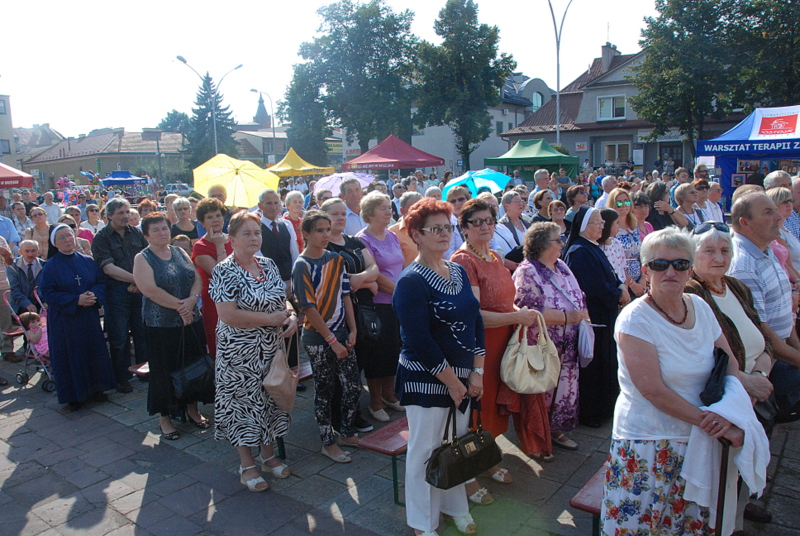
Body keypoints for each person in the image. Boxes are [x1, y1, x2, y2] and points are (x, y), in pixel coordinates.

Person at [602, 228, 747, 535]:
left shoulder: (700, 306)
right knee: (643, 526)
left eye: (680, 264)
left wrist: (733, 407)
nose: (670, 271)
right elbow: (653, 391)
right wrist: (715, 424)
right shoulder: (635, 318)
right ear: (645, 270)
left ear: (690, 269)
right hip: (651, 442)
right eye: (660, 264)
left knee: (688, 525)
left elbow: (728, 363)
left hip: (699, 437)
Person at [393, 197, 482, 536]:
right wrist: (454, 383)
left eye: (447, 227)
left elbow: (474, 321)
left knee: (454, 447)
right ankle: (422, 523)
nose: (445, 234)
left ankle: (455, 506)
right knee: (425, 452)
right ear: (416, 234)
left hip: (462, 377)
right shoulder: (410, 281)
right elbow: (418, 340)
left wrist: (477, 371)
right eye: (435, 229)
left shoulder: (457, 270)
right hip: (426, 381)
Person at [684, 221, 776, 534]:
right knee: (724, 473)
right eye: (709, 250)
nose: (718, 257)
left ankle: (738, 513)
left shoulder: (737, 286)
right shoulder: (691, 293)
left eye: (725, 250)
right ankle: (722, 524)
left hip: (755, 387)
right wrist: (744, 383)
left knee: (745, 462)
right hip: (726, 396)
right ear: (693, 254)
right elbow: (705, 354)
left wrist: (760, 374)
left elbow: (763, 338)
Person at [209, 211, 298, 492]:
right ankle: (246, 465)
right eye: (246, 233)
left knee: (269, 400)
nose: (254, 238)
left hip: (270, 349)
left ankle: (268, 455)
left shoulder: (267, 265)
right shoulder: (224, 270)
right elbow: (227, 314)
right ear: (232, 239)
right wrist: (269, 319)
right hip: (239, 353)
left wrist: (291, 316)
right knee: (244, 406)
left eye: (257, 233)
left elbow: (282, 300)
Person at [450, 198, 528, 504]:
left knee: (494, 410)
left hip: (503, 343)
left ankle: (486, 459)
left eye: (489, 220)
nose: (485, 226)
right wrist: (515, 317)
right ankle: (467, 473)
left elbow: (505, 302)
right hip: (479, 346)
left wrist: (521, 314)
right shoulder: (463, 261)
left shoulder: (494, 256)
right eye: (477, 222)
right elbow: (473, 315)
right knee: (475, 411)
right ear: (464, 227)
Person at [292, 210, 362, 463]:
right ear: (306, 234)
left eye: (327, 230)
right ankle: (327, 442)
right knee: (325, 390)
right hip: (319, 338)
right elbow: (308, 307)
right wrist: (332, 341)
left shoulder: (336, 259)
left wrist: (353, 329)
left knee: (352, 386)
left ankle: (346, 432)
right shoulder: (302, 265)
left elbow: (345, 295)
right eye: (319, 231)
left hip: (342, 333)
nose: (325, 235)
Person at [133, 212, 210, 441]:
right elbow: (150, 290)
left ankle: (192, 409)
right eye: (155, 230)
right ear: (146, 235)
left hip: (191, 320)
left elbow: (196, 278)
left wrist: (192, 300)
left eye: (164, 228)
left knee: (193, 366)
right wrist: (181, 308)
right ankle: (165, 418)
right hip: (162, 325)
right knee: (164, 370)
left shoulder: (179, 251)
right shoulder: (143, 258)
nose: (162, 233)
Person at [514, 221, 589, 454]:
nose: (562, 244)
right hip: (543, 346)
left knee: (563, 389)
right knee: (540, 393)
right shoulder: (527, 272)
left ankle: (555, 431)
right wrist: (567, 317)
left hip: (567, 346)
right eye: (558, 240)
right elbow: (528, 310)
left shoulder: (562, 266)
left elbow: (578, 294)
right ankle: (536, 440)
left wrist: (582, 314)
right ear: (542, 245)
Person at [564, 207, 630, 428]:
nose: (602, 227)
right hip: (594, 316)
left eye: (602, 223)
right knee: (594, 367)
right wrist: (617, 295)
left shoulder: (592, 247)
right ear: (585, 226)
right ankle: (590, 412)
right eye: (597, 223)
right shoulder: (579, 251)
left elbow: (611, 274)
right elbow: (592, 287)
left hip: (605, 314)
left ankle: (605, 407)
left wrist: (621, 286)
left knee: (605, 363)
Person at [39, 224, 114, 410]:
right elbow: (47, 293)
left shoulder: (87, 261)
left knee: (93, 351)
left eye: (69, 235)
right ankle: (74, 395)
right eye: (62, 237)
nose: (67, 240)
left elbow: (100, 282)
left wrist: (93, 295)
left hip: (88, 317)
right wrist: (75, 300)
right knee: (70, 355)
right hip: (65, 320)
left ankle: (98, 388)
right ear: (55, 243)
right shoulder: (50, 266)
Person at [320, 198, 378, 433]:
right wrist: (368, 283)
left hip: (362, 309)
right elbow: (334, 282)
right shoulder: (324, 247)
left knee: (359, 363)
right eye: (335, 214)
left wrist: (360, 279)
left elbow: (374, 268)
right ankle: (340, 417)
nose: (341, 218)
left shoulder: (353, 241)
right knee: (341, 368)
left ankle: (354, 412)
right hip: (339, 311)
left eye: (343, 214)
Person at [355, 192, 405, 422]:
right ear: (370, 213)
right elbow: (375, 274)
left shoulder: (392, 235)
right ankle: (375, 400)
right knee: (376, 354)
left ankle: (389, 394)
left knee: (393, 350)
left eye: (388, 206)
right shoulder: (362, 239)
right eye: (383, 208)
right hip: (377, 305)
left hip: (396, 303)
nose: (389, 211)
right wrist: (400, 291)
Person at [93, 198, 149, 394]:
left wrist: (142, 282)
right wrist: (136, 279)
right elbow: (108, 268)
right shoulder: (101, 238)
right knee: (119, 338)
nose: (126, 216)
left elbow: (147, 257)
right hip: (116, 293)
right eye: (120, 213)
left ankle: (144, 371)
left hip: (139, 292)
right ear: (109, 215)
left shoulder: (136, 233)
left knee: (142, 333)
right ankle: (122, 377)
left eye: (127, 212)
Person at [191, 198, 232, 359]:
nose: (215, 220)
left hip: (239, 297)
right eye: (209, 217)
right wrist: (219, 245)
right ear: (202, 222)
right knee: (221, 344)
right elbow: (220, 274)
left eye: (218, 215)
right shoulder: (200, 247)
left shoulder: (234, 239)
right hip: (215, 302)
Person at [608, 188, 647, 297]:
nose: (624, 205)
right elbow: (614, 261)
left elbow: (642, 254)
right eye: (619, 203)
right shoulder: (610, 230)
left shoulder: (634, 226)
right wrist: (632, 284)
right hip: (622, 284)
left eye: (627, 202)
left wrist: (643, 279)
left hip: (641, 280)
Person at [258, 189, 299, 289]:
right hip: (270, 285)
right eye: (269, 203)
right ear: (260, 206)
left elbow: (295, 254)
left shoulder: (287, 225)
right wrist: (282, 286)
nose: (273, 207)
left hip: (292, 282)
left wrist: (293, 281)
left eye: (276, 203)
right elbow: (259, 260)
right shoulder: (255, 228)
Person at [388, 191, 424, 268]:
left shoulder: (429, 228)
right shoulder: (393, 232)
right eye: (414, 208)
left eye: (422, 207)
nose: (419, 211)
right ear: (403, 211)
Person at [7, 240, 44, 315]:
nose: (30, 254)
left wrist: (47, 302)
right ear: (20, 252)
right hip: (20, 307)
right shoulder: (12, 267)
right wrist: (27, 304)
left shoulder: (45, 265)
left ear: (38, 250)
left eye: (33, 251)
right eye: (27, 251)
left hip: (42, 306)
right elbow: (14, 289)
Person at [494, 190, 529, 268]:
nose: (521, 203)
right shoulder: (502, 226)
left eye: (521, 201)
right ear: (507, 206)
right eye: (517, 201)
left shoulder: (526, 222)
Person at [444, 186, 468, 259]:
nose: (457, 203)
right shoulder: (448, 223)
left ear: (468, 199)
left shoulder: (475, 219)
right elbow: (447, 254)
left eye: (461, 199)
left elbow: (492, 244)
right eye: (453, 201)